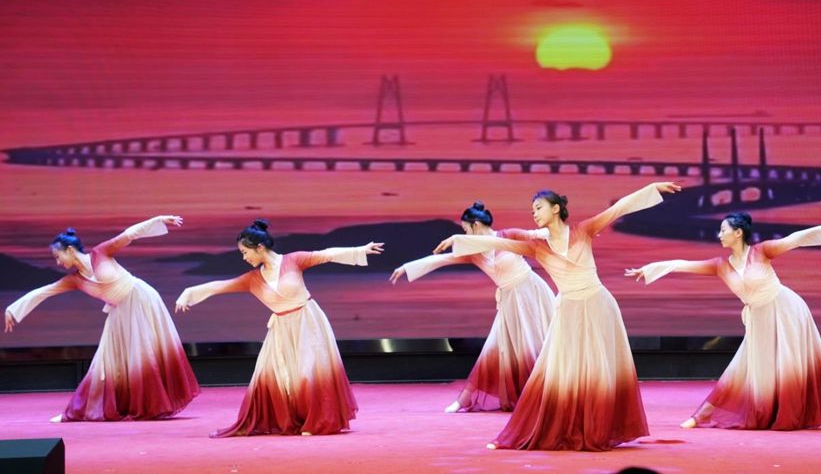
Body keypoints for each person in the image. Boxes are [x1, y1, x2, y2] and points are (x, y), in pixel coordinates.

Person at [436, 182, 682, 451]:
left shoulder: (583, 230)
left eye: (538, 208)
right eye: (532, 210)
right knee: (557, 372)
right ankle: (556, 428)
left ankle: (598, 430)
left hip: (599, 305)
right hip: (568, 310)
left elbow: (618, 209)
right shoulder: (537, 246)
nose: (534, 213)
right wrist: (460, 240)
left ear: (556, 209)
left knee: (599, 371)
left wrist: (652, 188)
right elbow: (499, 241)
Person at [626, 212, 821, 430]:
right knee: (747, 368)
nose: (719, 235)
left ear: (738, 232)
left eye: (723, 230)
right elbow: (682, 264)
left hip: (786, 310)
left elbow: (793, 240)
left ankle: (792, 413)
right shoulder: (720, 265)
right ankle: (704, 416)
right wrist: (649, 270)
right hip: (758, 317)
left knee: (788, 363)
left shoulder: (761, 251)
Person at [175, 219, 383, 436]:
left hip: (308, 322)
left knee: (310, 371)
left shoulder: (294, 261)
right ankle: (288, 419)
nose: (244, 258)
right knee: (275, 374)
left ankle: (317, 421)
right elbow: (220, 286)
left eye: (245, 252)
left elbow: (326, 254)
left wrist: (360, 250)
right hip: (281, 328)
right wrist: (188, 293)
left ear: (260, 247)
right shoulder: (252, 279)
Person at [4, 216, 199, 422]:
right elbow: (45, 291)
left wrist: (158, 220)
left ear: (70, 250)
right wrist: (13, 309)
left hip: (140, 299)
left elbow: (129, 235)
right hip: (119, 312)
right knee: (106, 362)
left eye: (58, 256)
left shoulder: (101, 253)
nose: (58, 262)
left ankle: (151, 405)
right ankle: (81, 410)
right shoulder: (75, 280)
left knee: (144, 354)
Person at [391, 201, 554, 412]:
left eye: (466, 230)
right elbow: (444, 259)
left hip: (532, 294)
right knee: (493, 350)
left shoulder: (507, 235)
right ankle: (464, 400)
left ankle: (549, 396)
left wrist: (564, 234)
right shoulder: (474, 253)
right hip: (510, 302)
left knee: (539, 345)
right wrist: (407, 267)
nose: (465, 234)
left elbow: (540, 234)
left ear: (476, 225)